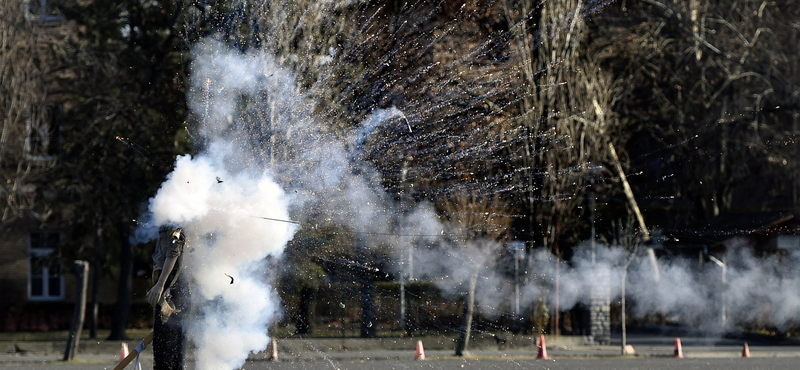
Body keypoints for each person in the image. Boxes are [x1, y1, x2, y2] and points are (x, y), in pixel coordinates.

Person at [147, 226, 190, 370]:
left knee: (168, 354)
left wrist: (161, 284)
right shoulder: (170, 219)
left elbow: (174, 250)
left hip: (174, 292)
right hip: (174, 290)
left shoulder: (175, 222)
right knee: (166, 353)